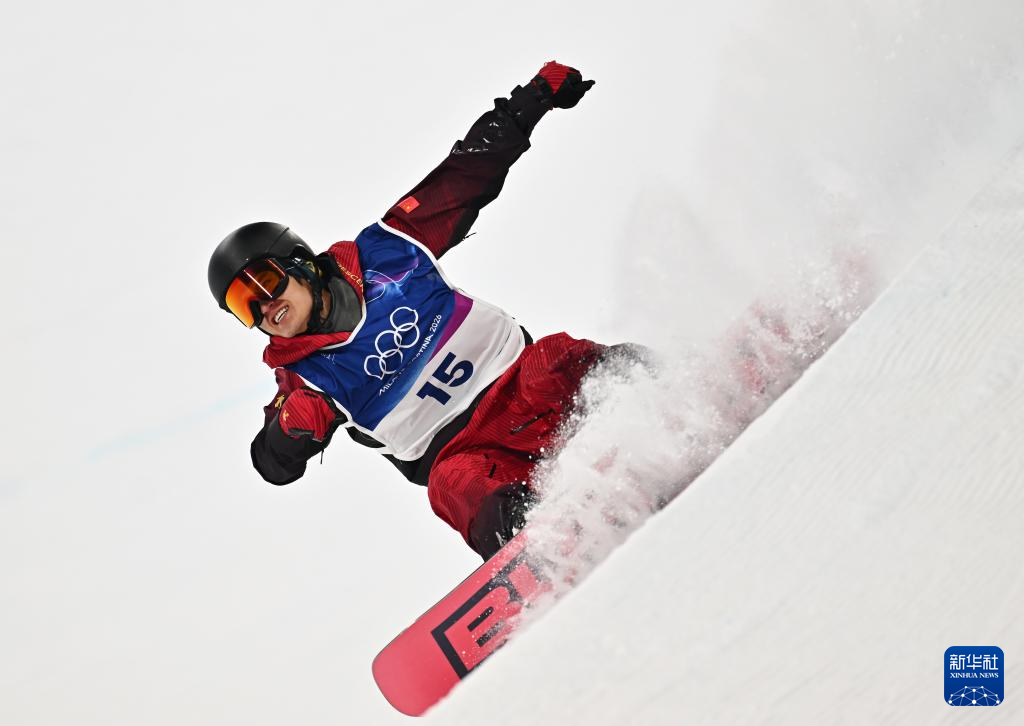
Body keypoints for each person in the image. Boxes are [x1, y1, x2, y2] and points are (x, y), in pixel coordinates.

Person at [209, 61, 626, 559]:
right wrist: (289, 432)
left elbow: (465, 176)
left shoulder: (390, 251)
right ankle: (546, 549)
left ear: (300, 262)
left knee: (557, 356)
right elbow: (270, 462)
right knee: (451, 485)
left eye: (264, 281)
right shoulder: (305, 380)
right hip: (469, 454)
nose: (265, 305)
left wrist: (532, 99)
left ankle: (671, 394)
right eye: (245, 306)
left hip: (526, 386)